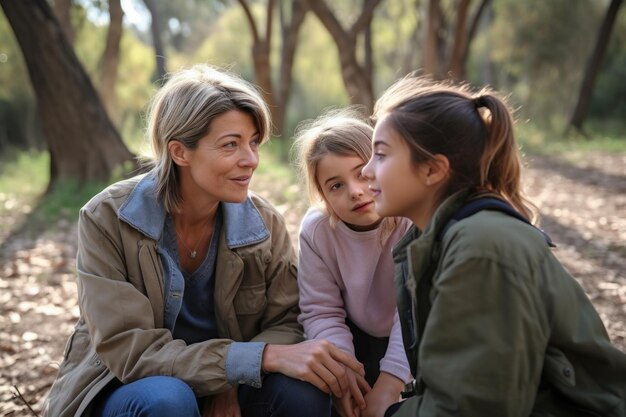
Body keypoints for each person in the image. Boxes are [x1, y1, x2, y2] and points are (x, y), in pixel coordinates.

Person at [43, 64, 365, 417]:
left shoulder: (264, 222)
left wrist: (232, 380)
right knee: (169, 402)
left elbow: (288, 320)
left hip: (232, 387)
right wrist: (250, 361)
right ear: (180, 152)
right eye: (231, 145)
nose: (251, 160)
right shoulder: (106, 219)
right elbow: (130, 352)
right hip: (129, 388)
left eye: (253, 143)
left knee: (304, 394)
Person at [360, 75, 626, 417]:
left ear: (432, 169)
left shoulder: (482, 249)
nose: (367, 171)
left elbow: (473, 408)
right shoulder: (447, 239)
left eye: (380, 155)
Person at [292, 109, 413, 417]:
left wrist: (391, 382)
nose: (355, 191)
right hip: (356, 337)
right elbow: (321, 310)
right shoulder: (318, 230)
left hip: (417, 333)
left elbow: (414, 308)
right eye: (336, 185)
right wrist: (344, 374)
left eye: (361, 173)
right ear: (322, 196)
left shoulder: (411, 218)